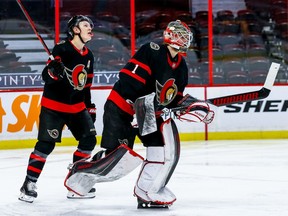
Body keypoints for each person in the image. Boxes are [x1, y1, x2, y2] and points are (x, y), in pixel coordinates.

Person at [91, 20, 214, 208]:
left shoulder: (181, 68)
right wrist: (148, 104)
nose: (185, 38)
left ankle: (145, 190)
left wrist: (192, 106)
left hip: (148, 113)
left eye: (186, 34)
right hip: (122, 107)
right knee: (117, 160)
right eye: (181, 33)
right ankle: (83, 173)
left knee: (159, 150)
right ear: (170, 35)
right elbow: (129, 80)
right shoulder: (152, 50)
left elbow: (173, 99)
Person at [18, 15, 97, 203]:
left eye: (90, 25)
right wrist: (53, 71)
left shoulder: (89, 56)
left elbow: (86, 85)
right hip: (54, 106)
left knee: (89, 140)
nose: (90, 28)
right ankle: (28, 184)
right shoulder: (61, 49)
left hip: (77, 107)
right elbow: (45, 76)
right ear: (75, 30)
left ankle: (75, 182)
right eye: (85, 25)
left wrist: (89, 107)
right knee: (46, 145)